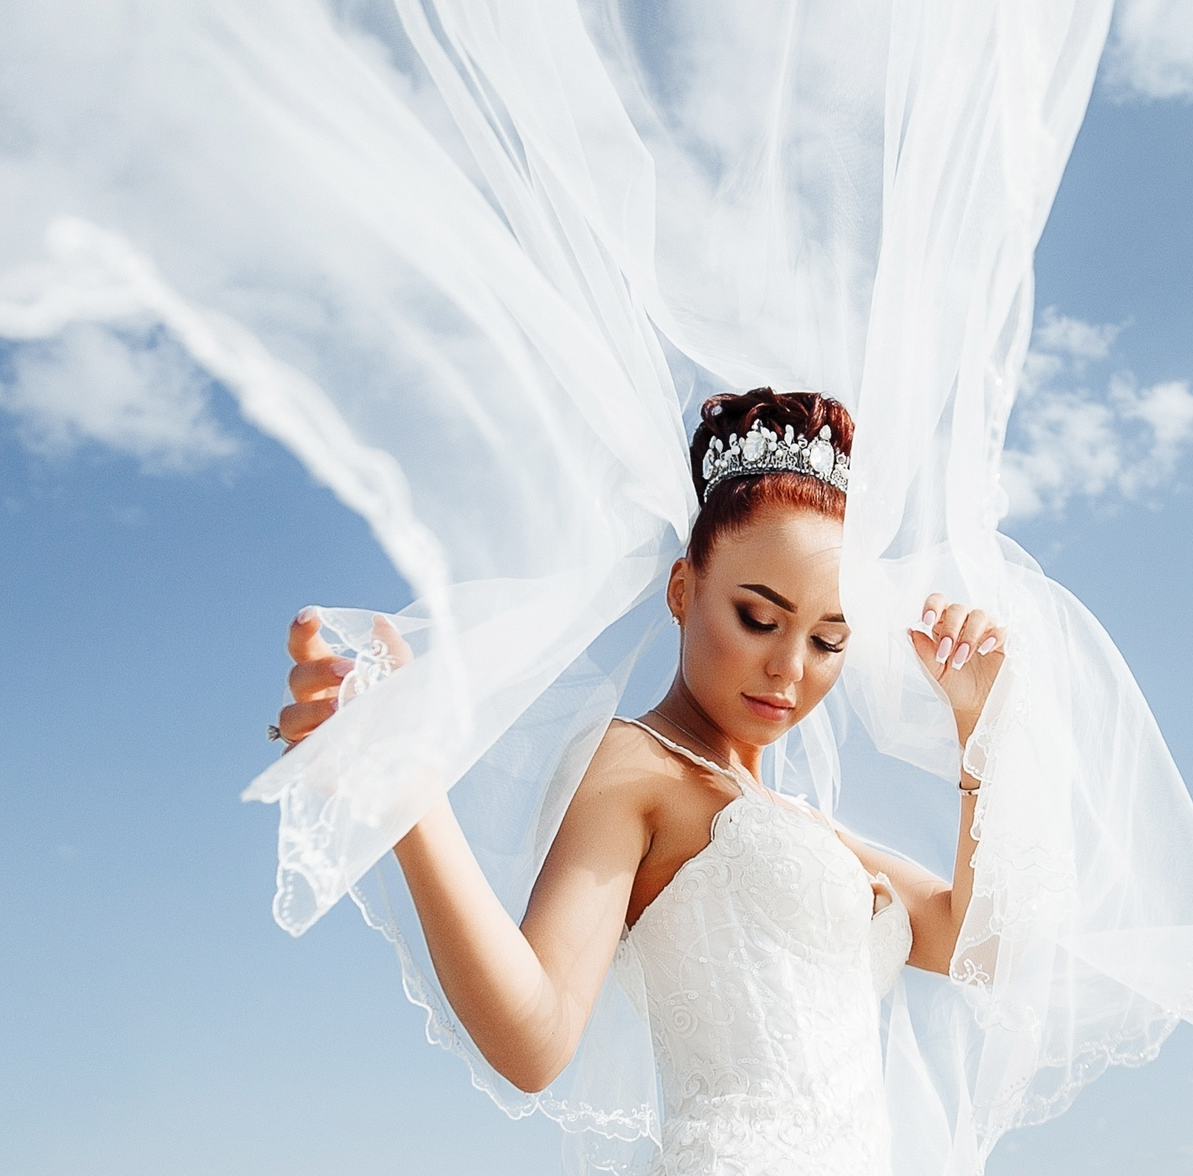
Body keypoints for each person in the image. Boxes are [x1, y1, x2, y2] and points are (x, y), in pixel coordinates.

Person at [274, 387, 1002, 1175]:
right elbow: (536, 1038)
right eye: (759, 618)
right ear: (684, 590)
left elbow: (977, 940)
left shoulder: (810, 829)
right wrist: (413, 799)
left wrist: (978, 733)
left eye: (828, 639)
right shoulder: (638, 765)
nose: (790, 669)